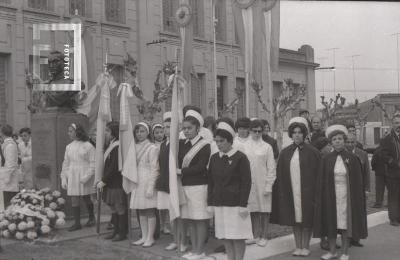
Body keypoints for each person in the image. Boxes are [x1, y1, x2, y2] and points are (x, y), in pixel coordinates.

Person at [314, 125, 368, 260]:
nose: (337, 141)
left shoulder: (352, 158)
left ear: (344, 141)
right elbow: (321, 179)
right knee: (331, 222)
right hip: (331, 195)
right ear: (331, 142)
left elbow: (358, 181)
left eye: (340, 139)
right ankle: (332, 251)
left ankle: (344, 252)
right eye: (334, 139)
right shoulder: (326, 159)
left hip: (347, 196)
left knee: (345, 223)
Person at [271, 117, 321, 257]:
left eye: (300, 132)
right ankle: (297, 246)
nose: (297, 135)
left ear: (304, 134)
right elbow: (280, 173)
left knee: (306, 219)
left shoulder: (313, 152)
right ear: (291, 134)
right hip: (291, 190)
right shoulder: (286, 152)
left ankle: (306, 246)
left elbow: (318, 173)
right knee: (295, 219)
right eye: (294, 132)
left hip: (308, 192)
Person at [207, 118, 252, 260]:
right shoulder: (214, 158)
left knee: (237, 237)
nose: (218, 144)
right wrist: (210, 202)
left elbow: (247, 182)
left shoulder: (240, 157)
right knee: (225, 235)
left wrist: (243, 204)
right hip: (220, 204)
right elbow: (211, 182)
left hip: (236, 205)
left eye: (222, 141)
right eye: (217, 141)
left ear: (229, 141)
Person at [178, 109, 212, 260]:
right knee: (190, 219)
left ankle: (200, 251)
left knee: (199, 219)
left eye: (189, 128)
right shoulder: (182, 144)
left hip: (199, 187)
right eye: (184, 128)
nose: (186, 131)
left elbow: (201, 167)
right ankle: (194, 249)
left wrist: (181, 171)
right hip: (185, 186)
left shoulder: (204, 145)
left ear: (198, 128)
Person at [245, 119, 276, 247]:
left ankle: (264, 236)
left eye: (259, 131)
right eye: (254, 131)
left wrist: (269, 185)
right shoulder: (244, 146)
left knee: (264, 210)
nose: (257, 134)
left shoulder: (267, 147)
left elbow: (271, 167)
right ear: (250, 131)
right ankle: (255, 235)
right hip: (249, 183)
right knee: (253, 210)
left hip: (263, 182)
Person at [60, 123, 96, 231]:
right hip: (73, 175)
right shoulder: (69, 146)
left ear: (78, 131)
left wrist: (87, 177)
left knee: (86, 197)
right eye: (68, 131)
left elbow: (93, 163)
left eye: (71, 131)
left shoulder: (88, 145)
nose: (69, 133)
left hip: (84, 174)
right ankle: (77, 223)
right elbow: (66, 163)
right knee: (74, 198)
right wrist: (64, 178)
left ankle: (91, 217)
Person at [96, 121, 128, 241]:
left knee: (119, 207)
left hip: (116, 182)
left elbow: (114, 166)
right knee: (113, 208)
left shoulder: (117, 146)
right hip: (110, 182)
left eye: (108, 131)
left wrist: (104, 180)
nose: (105, 133)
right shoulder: (111, 144)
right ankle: (116, 231)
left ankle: (122, 233)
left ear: (114, 132)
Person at [130, 122, 159, 247]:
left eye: (142, 131)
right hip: (137, 181)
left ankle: (150, 237)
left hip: (147, 179)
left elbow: (155, 168)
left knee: (149, 210)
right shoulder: (134, 147)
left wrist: (151, 186)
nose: (139, 134)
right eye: (137, 131)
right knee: (141, 210)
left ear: (148, 133)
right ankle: (144, 236)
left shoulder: (152, 148)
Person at [155, 112, 177, 250]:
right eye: (165, 128)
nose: (166, 130)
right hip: (164, 181)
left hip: (174, 182)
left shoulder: (176, 144)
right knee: (168, 211)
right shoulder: (163, 144)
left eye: (169, 127)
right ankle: (175, 237)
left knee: (174, 212)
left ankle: (178, 239)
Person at [345, 133, 370, 248]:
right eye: (348, 142)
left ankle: (356, 238)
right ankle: (347, 239)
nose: (350, 144)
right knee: (347, 215)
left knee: (358, 214)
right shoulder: (342, 154)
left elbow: (366, 173)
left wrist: (367, 189)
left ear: (356, 142)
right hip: (345, 190)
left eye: (352, 142)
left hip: (358, 189)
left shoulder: (363, 154)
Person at [380, 114, 400, 226]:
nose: (399, 125)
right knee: (393, 195)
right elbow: (383, 155)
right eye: (397, 123)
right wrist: (394, 163)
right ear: (392, 124)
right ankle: (393, 218)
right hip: (393, 172)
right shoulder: (387, 139)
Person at [0, 125, 20, 210]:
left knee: (9, 205)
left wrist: (6, 178)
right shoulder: (6, 144)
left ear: (1, 133)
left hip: (9, 180)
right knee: (5, 203)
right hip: (5, 178)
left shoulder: (10, 145)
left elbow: (10, 164)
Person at [371, 144, 387, 208]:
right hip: (390, 172)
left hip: (379, 172)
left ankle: (378, 203)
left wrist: (374, 168)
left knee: (379, 188)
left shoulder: (377, 150)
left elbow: (373, 161)